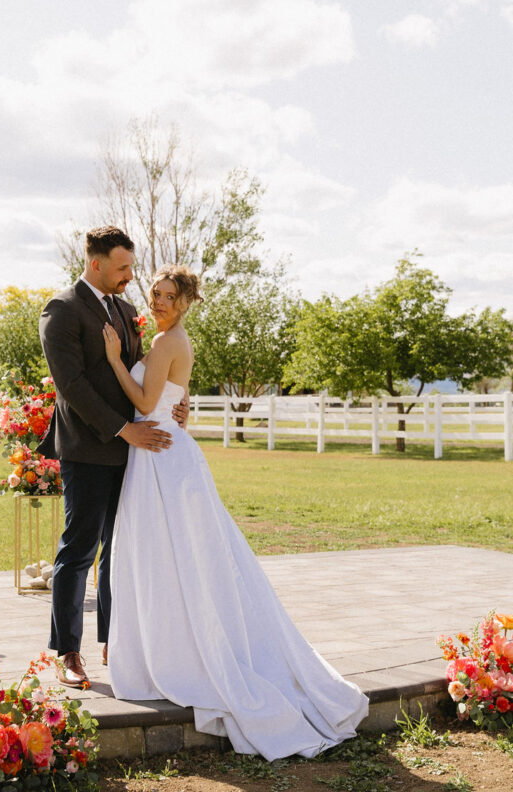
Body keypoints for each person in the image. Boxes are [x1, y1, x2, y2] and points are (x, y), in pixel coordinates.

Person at [103, 264, 369, 760]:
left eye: (167, 296)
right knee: (173, 560)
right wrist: (178, 404)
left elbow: (142, 399)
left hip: (160, 457)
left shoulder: (164, 343)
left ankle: (184, 654)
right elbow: (172, 397)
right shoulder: (172, 339)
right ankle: (169, 647)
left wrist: (115, 359)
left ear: (183, 302)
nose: (158, 301)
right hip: (166, 451)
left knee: (170, 559)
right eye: (155, 293)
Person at [38, 226, 188, 689]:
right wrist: (125, 429)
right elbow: (72, 386)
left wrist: (178, 403)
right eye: (122, 267)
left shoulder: (125, 312)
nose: (129, 276)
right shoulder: (61, 309)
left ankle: (114, 641)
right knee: (79, 550)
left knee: (118, 553)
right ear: (95, 262)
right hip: (87, 450)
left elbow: (144, 380)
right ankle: (68, 652)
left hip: (134, 454)